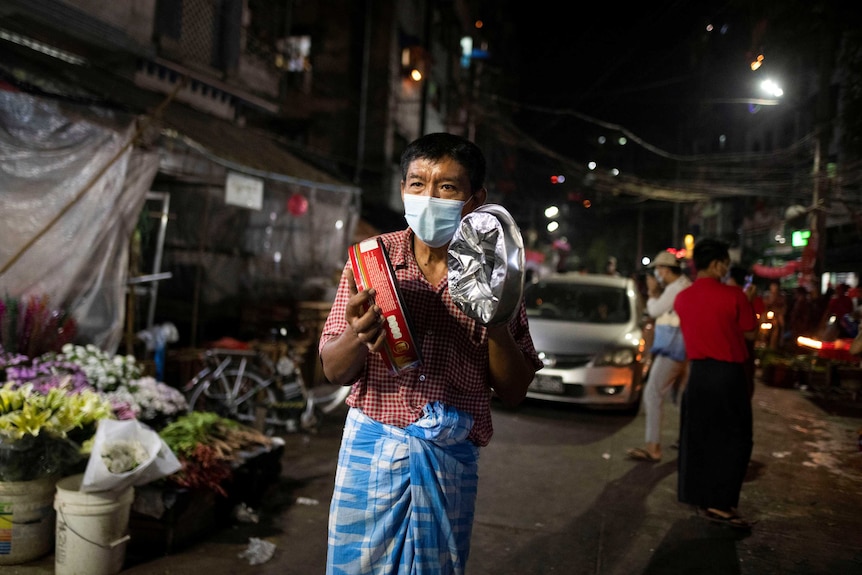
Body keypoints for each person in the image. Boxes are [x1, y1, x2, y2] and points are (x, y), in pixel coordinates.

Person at [318, 132, 543, 574]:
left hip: (446, 460)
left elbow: (515, 390)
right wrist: (358, 336)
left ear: (475, 199)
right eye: (417, 183)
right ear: (402, 190)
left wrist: (494, 320)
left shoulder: (498, 275)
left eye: (446, 187)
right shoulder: (371, 260)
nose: (428, 196)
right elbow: (333, 369)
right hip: (371, 447)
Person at [673, 238, 758, 530]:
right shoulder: (735, 296)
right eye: (725, 263)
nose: (726, 269)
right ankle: (721, 504)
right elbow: (749, 335)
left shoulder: (682, 298)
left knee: (699, 438)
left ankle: (698, 496)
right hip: (729, 375)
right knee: (735, 439)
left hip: (699, 376)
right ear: (717, 264)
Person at [626, 250, 691, 463]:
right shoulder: (684, 285)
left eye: (657, 269)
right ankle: (687, 441)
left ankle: (653, 447)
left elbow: (654, 311)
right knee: (681, 398)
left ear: (664, 269)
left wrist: (653, 292)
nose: (656, 274)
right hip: (684, 351)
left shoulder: (674, 289)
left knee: (652, 394)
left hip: (671, 350)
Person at [726, 266, 759, 398]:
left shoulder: (737, 299)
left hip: (737, 360)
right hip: (742, 360)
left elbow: (751, 334)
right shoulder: (745, 298)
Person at [762, 280, 787, 349]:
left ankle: (777, 342)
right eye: (772, 286)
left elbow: (784, 308)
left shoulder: (781, 296)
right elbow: (764, 305)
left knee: (780, 323)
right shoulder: (767, 295)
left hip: (777, 315)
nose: (773, 288)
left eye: (775, 286)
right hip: (767, 314)